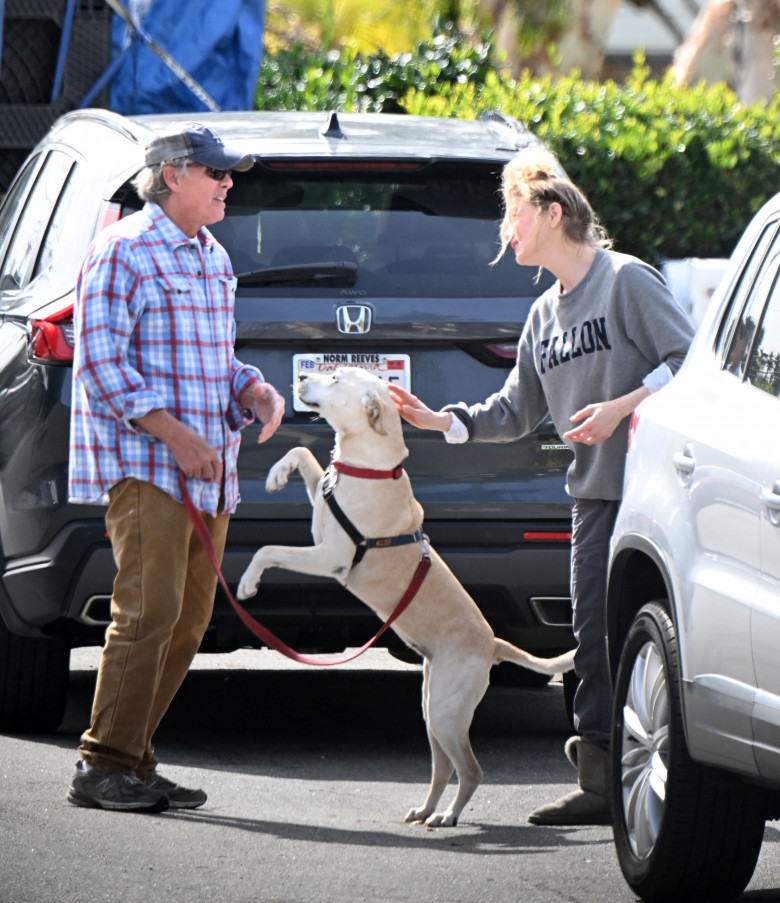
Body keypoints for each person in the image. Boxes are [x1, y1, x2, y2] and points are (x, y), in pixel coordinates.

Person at [389, 147, 695, 826]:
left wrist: (624, 406)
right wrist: (440, 420)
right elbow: (513, 412)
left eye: (513, 212)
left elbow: (688, 359)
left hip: (655, 496)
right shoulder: (543, 317)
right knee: (594, 632)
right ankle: (599, 777)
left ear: (553, 213)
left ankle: (663, 777)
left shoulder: (625, 282)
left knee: (651, 634)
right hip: (593, 498)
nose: (505, 229)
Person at [67, 123, 285, 813]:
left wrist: (249, 387)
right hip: (149, 468)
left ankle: (132, 758)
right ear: (171, 176)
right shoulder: (122, 250)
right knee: (148, 611)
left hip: (209, 471)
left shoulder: (211, 255)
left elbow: (215, 361)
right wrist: (176, 435)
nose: (228, 183)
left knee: (189, 621)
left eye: (229, 175)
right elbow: (100, 363)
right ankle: (101, 764)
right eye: (216, 173)